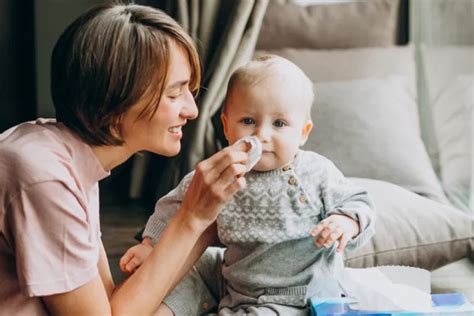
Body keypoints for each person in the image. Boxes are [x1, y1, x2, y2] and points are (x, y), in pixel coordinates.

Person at [0, 3, 252, 315]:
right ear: (113, 98)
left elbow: (112, 305)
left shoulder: (69, 160)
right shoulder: (44, 177)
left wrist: (203, 222)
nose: (192, 110)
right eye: (174, 94)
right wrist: (190, 219)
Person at [120, 55, 376, 315]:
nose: (261, 135)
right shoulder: (221, 170)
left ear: (303, 132)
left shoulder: (315, 172)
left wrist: (347, 222)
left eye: (279, 124)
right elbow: (176, 207)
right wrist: (150, 246)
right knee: (187, 271)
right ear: (226, 125)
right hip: (232, 274)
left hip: (295, 294)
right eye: (248, 122)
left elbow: (359, 202)